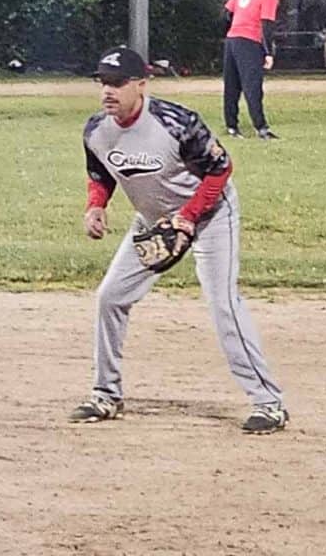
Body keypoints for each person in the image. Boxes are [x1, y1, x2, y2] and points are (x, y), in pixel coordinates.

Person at [72, 46, 289, 435]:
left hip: (210, 217)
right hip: (153, 220)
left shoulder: (176, 123)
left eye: (117, 83)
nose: (108, 91)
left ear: (141, 84)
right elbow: (101, 173)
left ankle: (268, 404)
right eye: (102, 82)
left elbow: (220, 170)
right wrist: (96, 206)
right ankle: (106, 393)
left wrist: (188, 218)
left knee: (224, 304)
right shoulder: (96, 130)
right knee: (110, 296)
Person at [221, 0, 291, 140]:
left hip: (232, 40)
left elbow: (226, 12)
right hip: (249, 41)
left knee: (232, 85)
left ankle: (232, 126)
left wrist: (233, 30)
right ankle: (261, 128)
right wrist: (268, 53)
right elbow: (266, 26)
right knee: (253, 86)